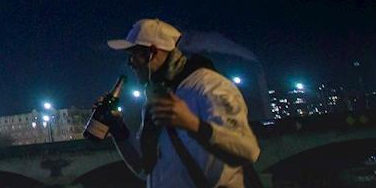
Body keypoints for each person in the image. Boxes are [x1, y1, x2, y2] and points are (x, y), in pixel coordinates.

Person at [102, 18, 261, 187]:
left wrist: (193, 124)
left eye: (133, 55)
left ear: (152, 52)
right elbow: (145, 168)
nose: (130, 63)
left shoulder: (209, 86)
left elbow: (247, 151)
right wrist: (117, 129)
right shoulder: (155, 98)